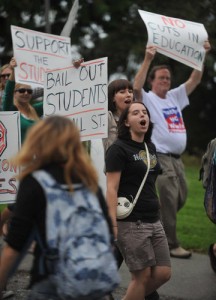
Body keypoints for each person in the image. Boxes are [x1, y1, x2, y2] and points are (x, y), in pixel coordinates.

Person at [0, 115, 114, 300]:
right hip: (92, 280)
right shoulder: (88, 180)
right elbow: (107, 234)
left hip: (51, 281)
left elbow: (15, 245)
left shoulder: (34, 182)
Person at [133, 41, 211, 259]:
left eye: (168, 78)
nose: (166, 81)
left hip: (178, 159)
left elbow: (195, 79)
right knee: (168, 198)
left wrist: (201, 55)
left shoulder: (175, 96)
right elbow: (136, 87)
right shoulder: (147, 98)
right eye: (161, 78)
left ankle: (150, 225)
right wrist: (148, 59)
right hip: (161, 156)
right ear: (153, 81)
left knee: (181, 197)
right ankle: (170, 244)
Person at [105, 102, 171, 300]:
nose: (142, 115)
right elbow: (111, 188)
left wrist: (156, 202)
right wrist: (112, 223)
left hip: (153, 219)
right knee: (141, 277)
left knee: (163, 273)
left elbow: (150, 181)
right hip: (132, 222)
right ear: (126, 122)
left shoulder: (149, 147)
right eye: (135, 113)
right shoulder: (118, 149)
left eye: (144, 112)